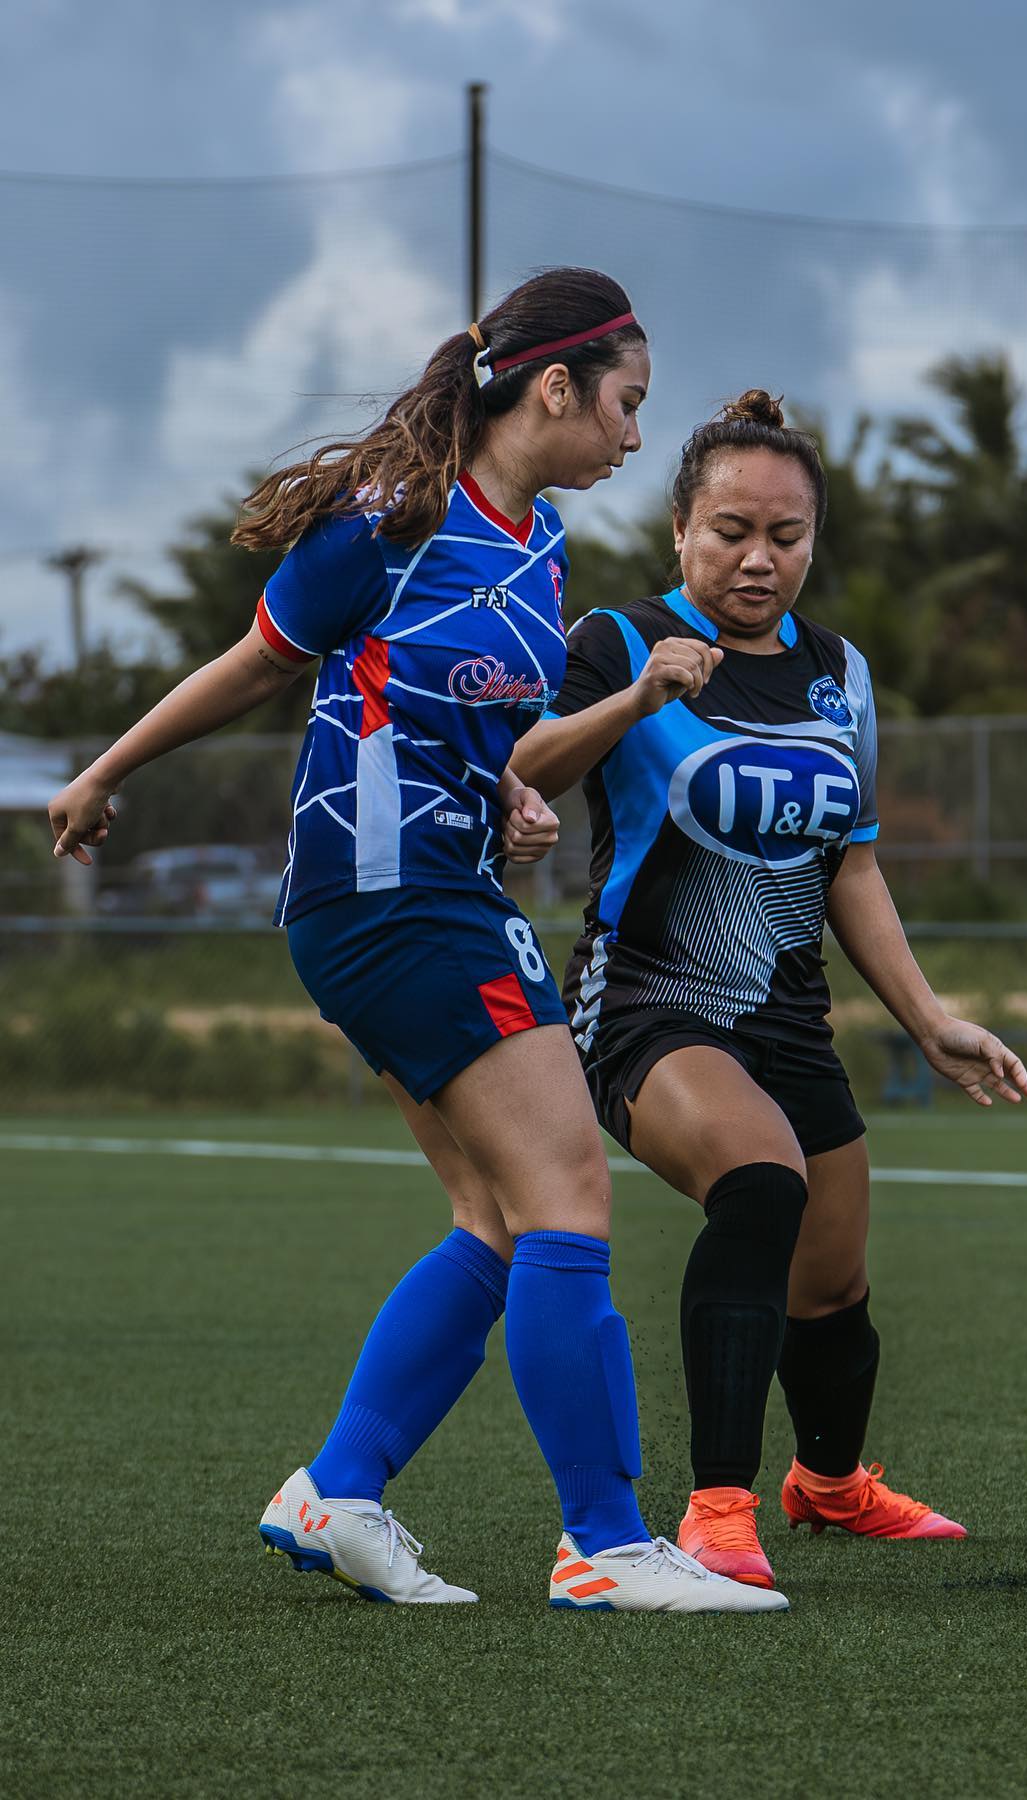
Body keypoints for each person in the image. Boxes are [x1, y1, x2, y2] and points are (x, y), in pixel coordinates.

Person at [47, 276, 784, 1616]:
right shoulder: (391, 520)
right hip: (388, 901)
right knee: (569, 1193)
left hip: (433, 888)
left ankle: (339, 1493)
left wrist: (505, 788)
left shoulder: (542, 543)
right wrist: (103, 769)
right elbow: (260, 660)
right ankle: (607, 1546)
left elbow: (451, 713)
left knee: (497, 1220)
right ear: (552, 388)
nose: (634, 438)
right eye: (627, 405)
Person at [508, 390, 1027, 1589]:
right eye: (731, 531)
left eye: (785, 537)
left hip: (790, 1017)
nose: (758, 558)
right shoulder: (616, 639)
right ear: (681, 533)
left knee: (833, 1281)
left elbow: (851, 861)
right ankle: (713, 1510)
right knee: (760, 1184)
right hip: (646, 1003)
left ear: (813, 541)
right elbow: (520, 767)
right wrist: (640, 695)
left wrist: (933, 1018)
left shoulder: (839, 672)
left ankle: (833, 1488)